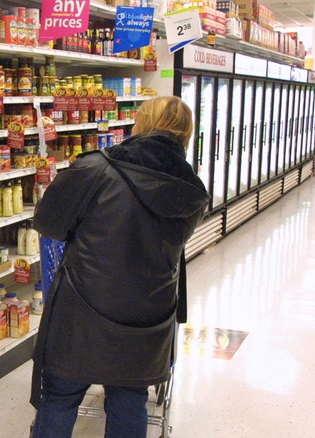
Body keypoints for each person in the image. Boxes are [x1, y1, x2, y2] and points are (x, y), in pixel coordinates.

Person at [30, 96, 210, 437]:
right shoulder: (192, 190)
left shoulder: (95, 168)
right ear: (186, 133)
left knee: (60, 397)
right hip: (149, 314)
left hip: (82, 309)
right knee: (129, 399)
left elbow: (49, 223)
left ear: (139, 124)